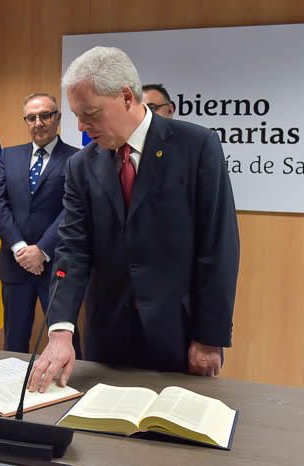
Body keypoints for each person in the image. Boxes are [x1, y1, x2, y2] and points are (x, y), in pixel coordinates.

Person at [29, 47, 239, 393]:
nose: (81, 126)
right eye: (76, 115)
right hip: (108, 337)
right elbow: (73, 251)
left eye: (90, 114)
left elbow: (218, 247)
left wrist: (209, 338)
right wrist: (61, 330)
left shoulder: (196, 147)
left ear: (126, 96)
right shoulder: (82, 165)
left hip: (180, 336)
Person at [0, 93, 82, 357]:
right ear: (26, 121)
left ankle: (75, 389)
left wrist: (41, 250)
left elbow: (73, 209)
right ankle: (11, 393)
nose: (38, 122)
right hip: (15, 264)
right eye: (31, 117)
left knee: (65, 340)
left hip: (57, 265)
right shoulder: (9, 156)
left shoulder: (77, 159)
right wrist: (21, 249)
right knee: (14, 343)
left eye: (45, 115)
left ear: (58, 118)